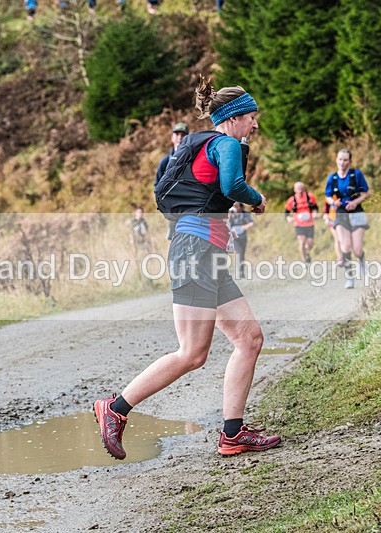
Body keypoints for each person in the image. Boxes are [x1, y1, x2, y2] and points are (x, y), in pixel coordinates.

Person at [94, 78, 280, 458]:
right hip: (195, 251)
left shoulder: (202, 144)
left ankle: (233, 433)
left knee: (249, 338)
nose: (255, 126)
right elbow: (232, 185)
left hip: (203, 251)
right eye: (251, 117)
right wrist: (257, 199)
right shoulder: (226, 144)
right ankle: (114, 409)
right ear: (233, 117)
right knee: (192, 353)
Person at [325, 149, 370, 289]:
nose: (342, 162)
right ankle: (350, 277)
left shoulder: (356, 174)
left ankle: (362, 264)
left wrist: (355, 202)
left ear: (350, 161)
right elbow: (327, 196)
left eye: (345, 160)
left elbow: (366, 193)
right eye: (340, 159)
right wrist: (333, 202)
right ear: (336, 160)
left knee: (357, 249)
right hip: (341, 213)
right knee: (345, 246)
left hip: (356, 212)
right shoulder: (332, 178)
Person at [155, 122, 190, 241]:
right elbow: (157, 185)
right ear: (172, 137)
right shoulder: (165, 162)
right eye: (177, 134)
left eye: (183, 134)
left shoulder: (192, 158)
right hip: (172, 205)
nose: (180, 137)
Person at [284, 181, 319, 263]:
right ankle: (304, 260)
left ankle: (307, 252)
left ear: (304, 189)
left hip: (310, 223)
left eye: (301, 189)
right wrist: (288, 218)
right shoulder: (292, 200)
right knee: (302, 241)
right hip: (298, 224)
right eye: (298, 189)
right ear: (294, 190)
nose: (300, 190)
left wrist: (315, 213)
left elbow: (315, 207)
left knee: (310, 243)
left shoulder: (310, 197)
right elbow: (286, 212)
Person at [228, 202, 255, 278]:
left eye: (237, 206)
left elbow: (251, 223)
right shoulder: (231, 214)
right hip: (234, 237)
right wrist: (230, 215)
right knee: (239, 253)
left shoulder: (245, 213)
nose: (235, 207)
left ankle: (242, 273)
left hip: (243, 236)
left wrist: (243, 227)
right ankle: (239, 273)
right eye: (234, 206)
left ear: (240, 206)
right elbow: (227, 224)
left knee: (242, 255)